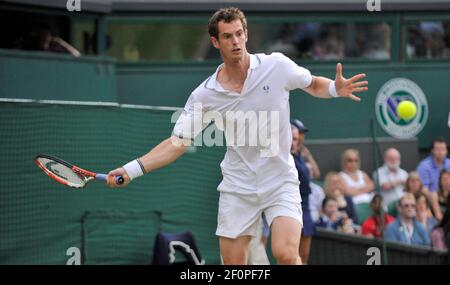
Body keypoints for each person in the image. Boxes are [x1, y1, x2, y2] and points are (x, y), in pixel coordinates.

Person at [106, 7, 368, 265]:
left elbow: (312, 84)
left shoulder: (276, 65)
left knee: (286, 254)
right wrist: (131, 170)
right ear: (215, 42)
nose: (235, 41)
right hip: (238, 186)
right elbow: (177, 144)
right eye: (228, 36)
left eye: (239, 34)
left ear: (246, 34)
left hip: (280, 180)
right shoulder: (204, 95)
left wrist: (335, 88)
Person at [290, 119, 315, 264]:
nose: (295, 141)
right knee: (291, 256)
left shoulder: (300, 156)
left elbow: (314, 174)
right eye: (292, 138)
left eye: (297, 139)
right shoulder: (285, 158)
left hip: (305, 207)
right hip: (293, 207)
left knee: (304, 257)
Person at [417, 137, 450, 219]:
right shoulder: (424, 166)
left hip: (448, 197)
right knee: (434, 195)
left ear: (446, 151)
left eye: (443, 149)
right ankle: (441, 220)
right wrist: (436, 199)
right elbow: (423, 189)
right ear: (432, 151)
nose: (440, 152)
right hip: (431, 200)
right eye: (438, 149)